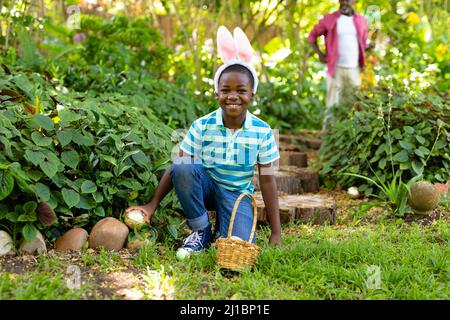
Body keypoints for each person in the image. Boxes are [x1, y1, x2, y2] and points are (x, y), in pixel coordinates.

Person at [124, 26, 281, 259]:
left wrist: (276, 233)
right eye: (225, 89)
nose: (233, 96)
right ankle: (200, 230)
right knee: (183, 164)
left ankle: (223, 229)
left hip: (236, 196)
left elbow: (267, 182)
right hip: (206, 187)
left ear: (252, 94)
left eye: (241, 90)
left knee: (235, 243)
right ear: (217, 93)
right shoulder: (202, 125)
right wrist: (151, 205)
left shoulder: (263, 131)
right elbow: (179, 167)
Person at [308, 0, 372, 130]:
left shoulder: (360, 19)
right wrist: (320, 54)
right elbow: (312, 36)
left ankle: (347, 135)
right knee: (333, 103)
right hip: (335, 68)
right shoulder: (330, 19)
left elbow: (363, 43)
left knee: (353, 103)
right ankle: (328, 137)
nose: (345, 3)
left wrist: (370, 46)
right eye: (342, 0)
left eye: (348, 0)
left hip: (354, 68)